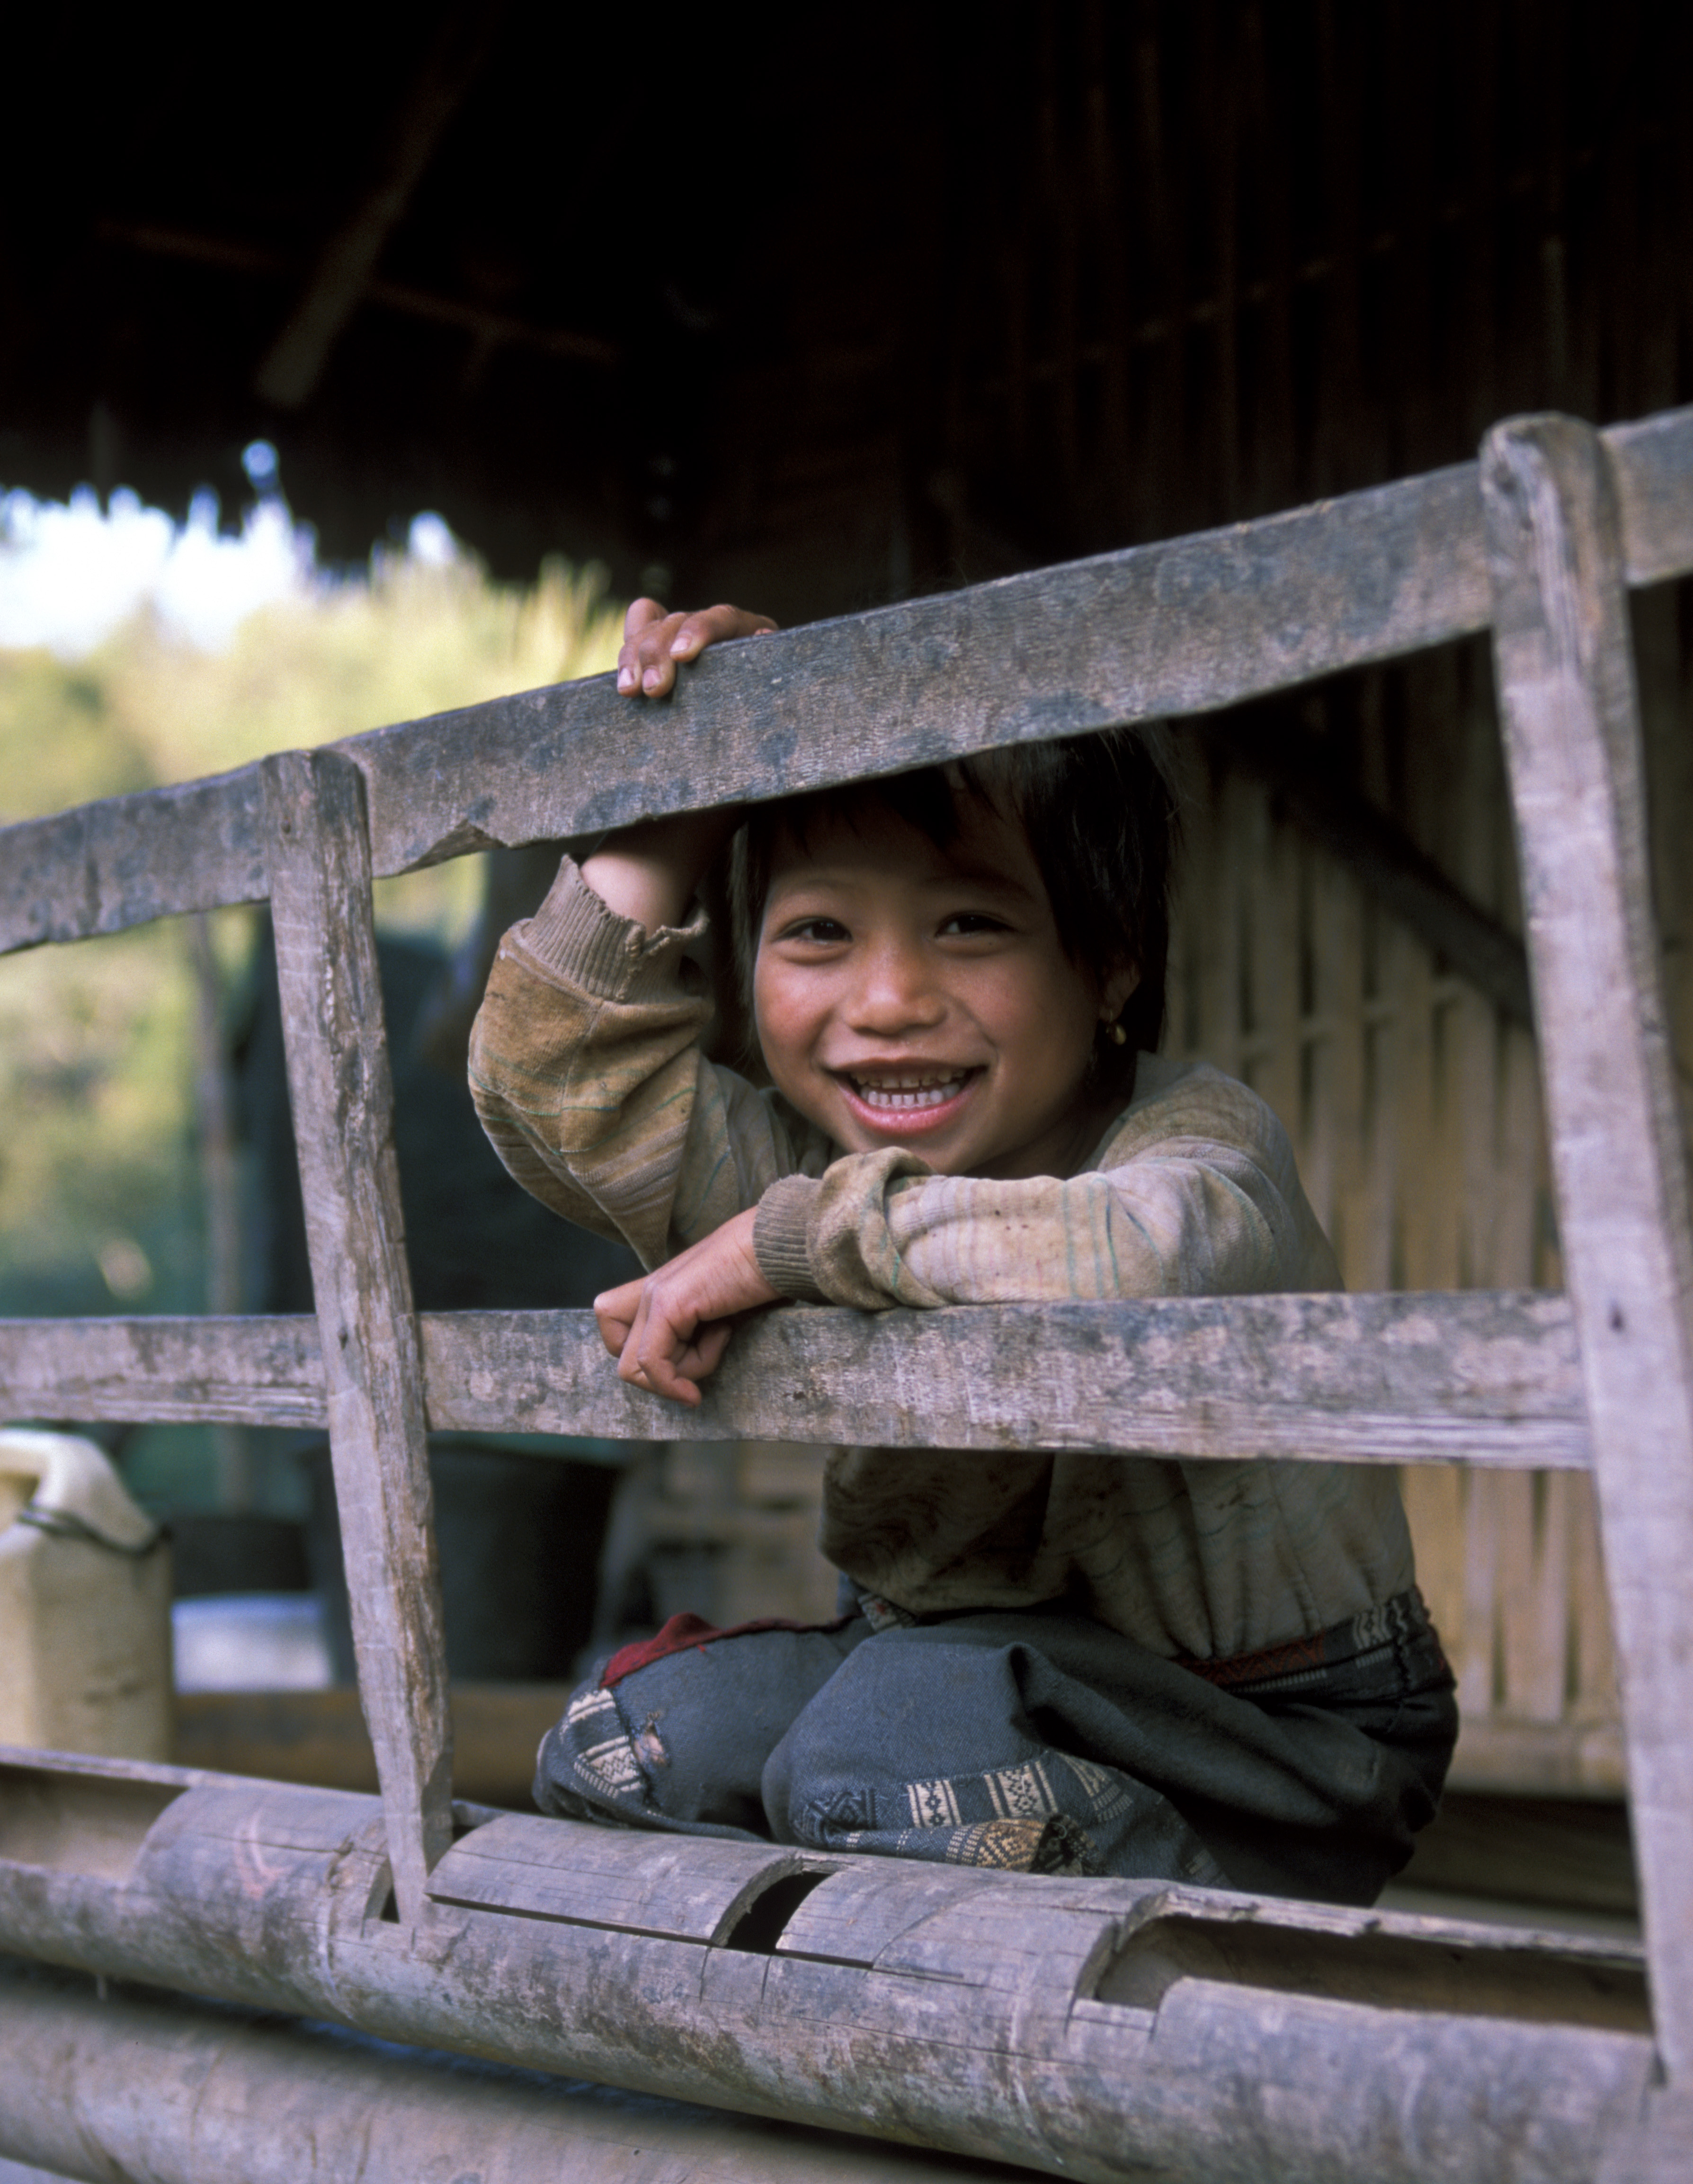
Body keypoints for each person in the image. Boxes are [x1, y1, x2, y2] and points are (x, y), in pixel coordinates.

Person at [469, 599, 1457, 1899]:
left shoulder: (1196, 1143)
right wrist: (690, 787)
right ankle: (815, 2022)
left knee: (876, 1764)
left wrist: (790, 1244)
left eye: (971, 927)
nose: (887, 1003)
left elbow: (1133, 1255)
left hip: (1276, 1736)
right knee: (628, 1748)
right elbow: (555, 1085)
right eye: (818, 932)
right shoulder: (797, 1165)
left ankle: (1206, 1993)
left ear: (1107, 964)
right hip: (951, 1674)